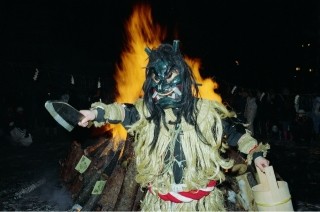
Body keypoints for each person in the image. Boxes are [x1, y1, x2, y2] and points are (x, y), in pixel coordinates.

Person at [78, 40, 270, 211]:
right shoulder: (150, 113)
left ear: (184, 78)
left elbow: (237, 133)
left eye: (169, 76)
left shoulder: (206, 113)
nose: (162, 87)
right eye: (156, 78)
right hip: (161, 205)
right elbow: (122, 111)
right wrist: (94, 113)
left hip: (200, 206)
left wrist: (257, 154)